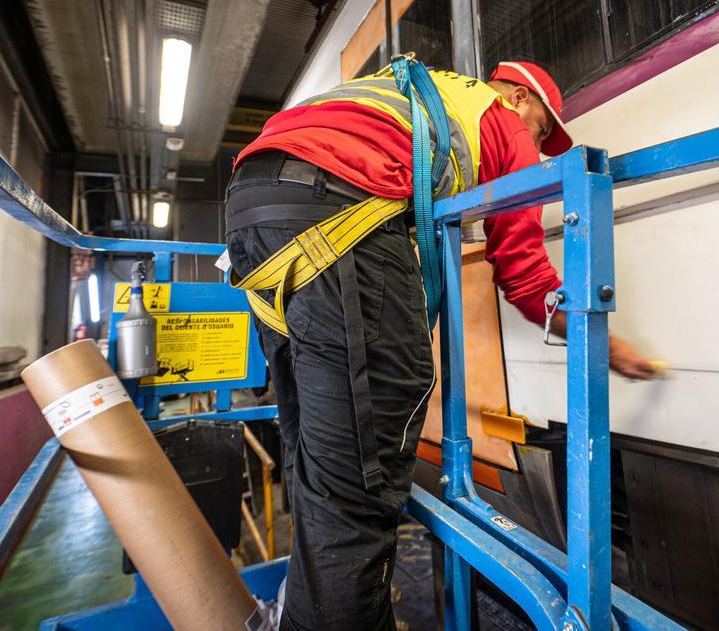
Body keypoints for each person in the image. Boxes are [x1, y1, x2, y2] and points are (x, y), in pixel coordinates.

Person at [225, 58, 656, 630]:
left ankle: (302, 611)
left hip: (251, 204)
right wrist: (601, 343)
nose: (539, 147)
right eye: (544, 132)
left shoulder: (424, 94)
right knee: (362, 476)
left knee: (320, 456)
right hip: (337, 212)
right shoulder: (501, 119)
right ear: (522, 99)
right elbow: (525, 274)